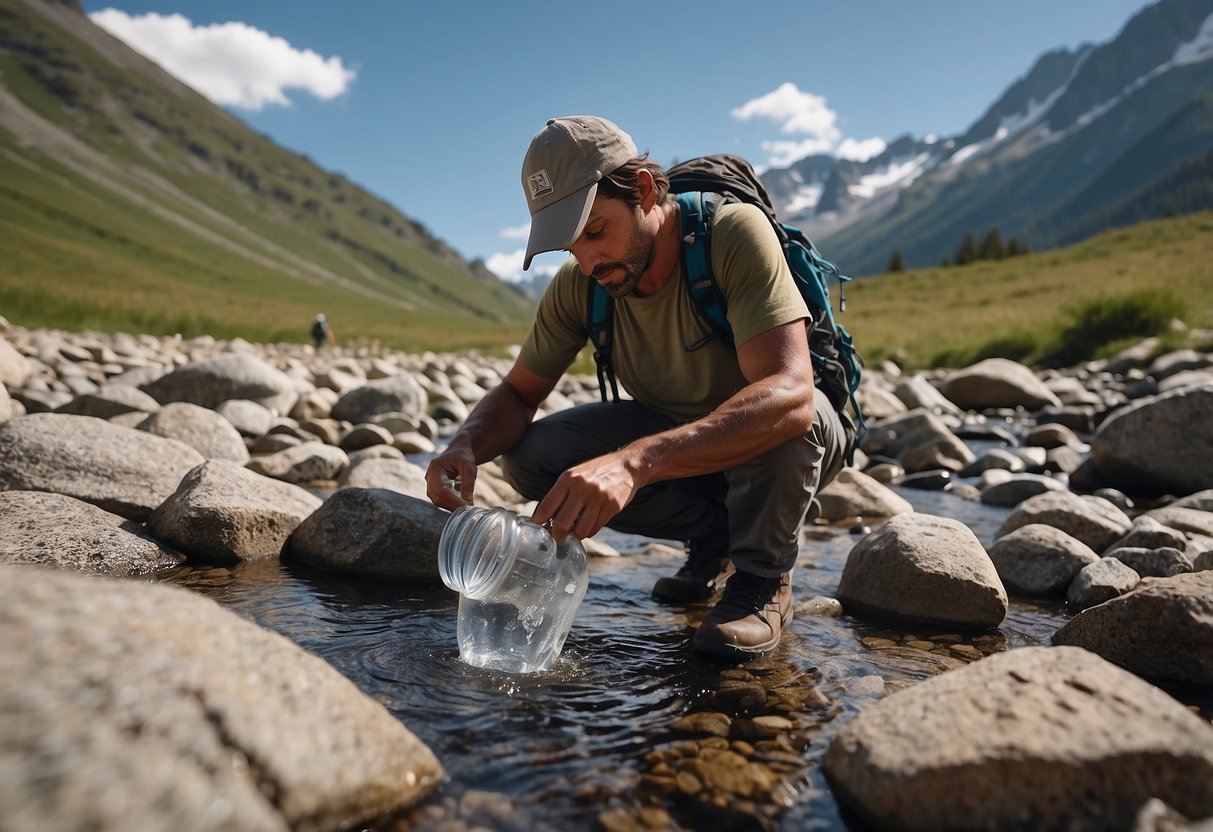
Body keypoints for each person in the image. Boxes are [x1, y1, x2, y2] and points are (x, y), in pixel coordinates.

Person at [424, 116, 846, 660]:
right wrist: (465, 445)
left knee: (782, 420)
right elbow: (518, 394)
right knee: (531, 457)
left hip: (796, 434)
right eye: (569, 246)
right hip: (687, 447)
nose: (588, 261)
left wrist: (631, 464)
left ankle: (762, 577)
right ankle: (718, 538)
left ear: (644, 191)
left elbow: (789, 394)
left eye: (595, 231)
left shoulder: (732, 235)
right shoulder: (582, 286)